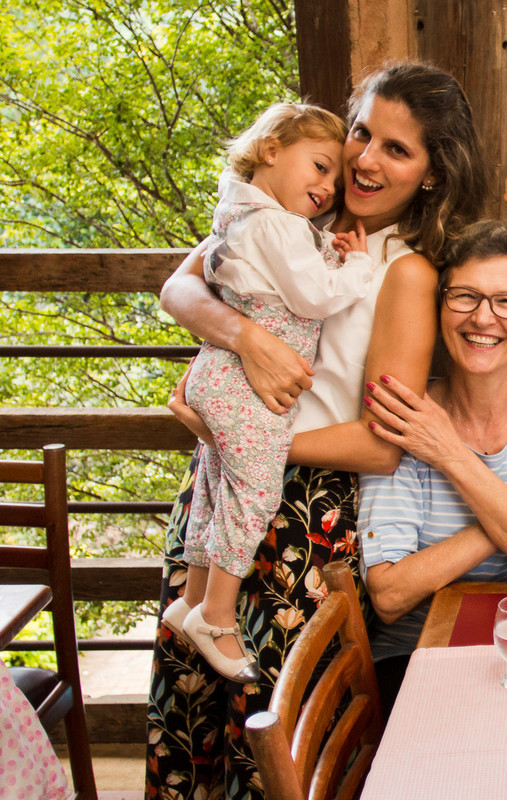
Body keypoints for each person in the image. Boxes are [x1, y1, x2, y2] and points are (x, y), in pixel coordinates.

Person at [146, 61, 487, 800]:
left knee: (270, 745)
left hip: (301, 518)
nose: (365, 158)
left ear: (432, 174)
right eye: (361, 132)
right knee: (192, 714)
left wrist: (233, 432)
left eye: (397, 149)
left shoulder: (404, 271)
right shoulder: (288, 210)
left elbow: (379, 444)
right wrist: (243, 336)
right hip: (218, 493)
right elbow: (178, 284)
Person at [163, 102, 376, 683]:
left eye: (336, 176)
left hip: (219, 370)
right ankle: (216, 615)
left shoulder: (238, 212)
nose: (330, 186)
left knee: (217, 486)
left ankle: (195, 597)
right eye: (321, 166)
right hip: (240, 380)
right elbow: (310, 296)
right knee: (254, 491)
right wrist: (357, 267)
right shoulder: (276, 223)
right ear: (271, 149)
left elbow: (273, 273)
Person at [357, 220, 507, 711]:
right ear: (440, 310)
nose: (483, 317)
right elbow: (389, 592)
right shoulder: (408, 414)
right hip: (415, 656)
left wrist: (449, 454)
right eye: (464, 296)